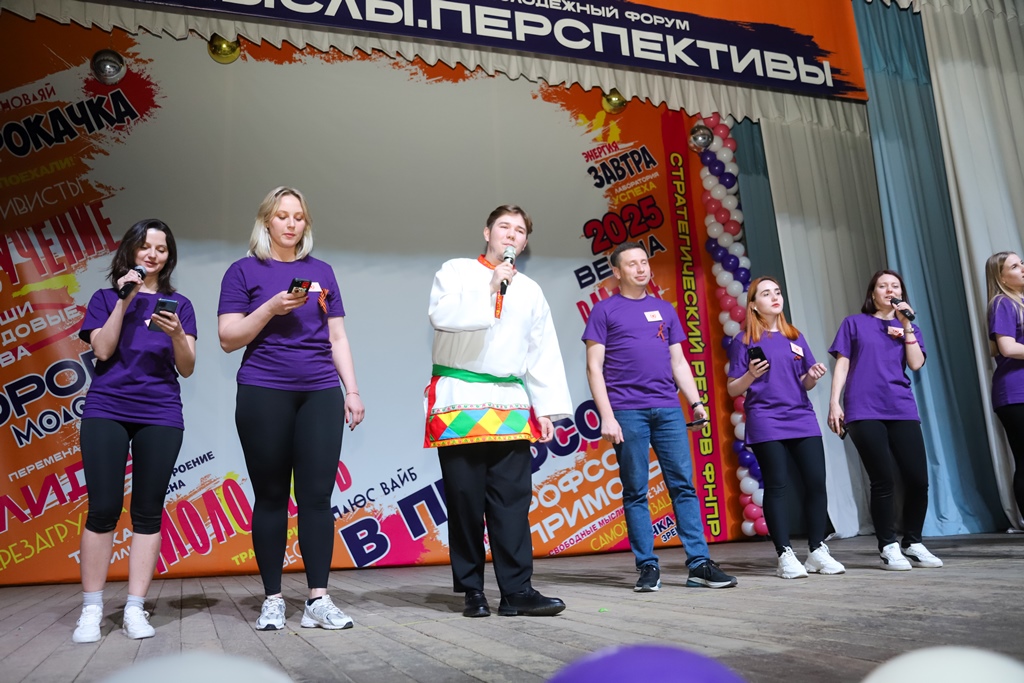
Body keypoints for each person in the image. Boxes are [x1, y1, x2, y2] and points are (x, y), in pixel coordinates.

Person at [218, 187, 365, 631]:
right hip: (263, 391)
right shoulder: (243, 271)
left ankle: (318, 599)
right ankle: (273, 599)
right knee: (271, 497)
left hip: (320, 392)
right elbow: (228, 338)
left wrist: (352, 391)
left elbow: (337, 337)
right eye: (282, 216)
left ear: (306, 224)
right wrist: (270, 307)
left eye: (298, 217)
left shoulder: (322, 272)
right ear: (267, 220)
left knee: (318, 497)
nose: (290, 224)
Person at [425, 205, 572, 618]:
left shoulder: (531, 290)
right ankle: (472, 590)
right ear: (487, 232)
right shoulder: (456, 271)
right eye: (504, 227)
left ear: (525, 242)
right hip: (460, 401)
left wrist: (546, 408)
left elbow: (541, 351)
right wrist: (489, 287)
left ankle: (517, 590)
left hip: (510, 404)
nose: (511, 235)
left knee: (512, 502)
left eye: (520, 230)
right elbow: (440, 315)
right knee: (465, 501)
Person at [582, 242, 737, 592]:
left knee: (683, 486)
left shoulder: (664, 309)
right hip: (627, 411)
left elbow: (678, 361)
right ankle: (647, 566)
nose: (641, 268)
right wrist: (607, 416)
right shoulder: (604, 310)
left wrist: (695, 402)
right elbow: (594, 368)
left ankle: (699, 564)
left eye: (644, 262)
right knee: (636, 490)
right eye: (631, 264)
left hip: (668, 409)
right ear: (616, 272)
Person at [73, 219, 197, 643]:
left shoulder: (179, 305)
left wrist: (178, 335)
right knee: (103, 508)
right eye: (145, 246)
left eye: (161, 249)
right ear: (130, 250)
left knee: (147, 511)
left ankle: (134, 608)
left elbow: (187, 367)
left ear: (169, 256)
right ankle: (91, 609)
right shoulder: (105, 297)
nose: (152, 254)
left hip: (160, 411)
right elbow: (103, 349)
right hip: (107, 407)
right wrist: (125, 300)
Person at [727, 277, 845, 579]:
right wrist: (751, 375)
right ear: (754, 305)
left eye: (777, 292)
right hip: (766, 419)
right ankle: (784, 554)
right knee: (777, 486)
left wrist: (813, 376)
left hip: (801, 417)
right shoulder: (743, 341)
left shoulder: (795, 336)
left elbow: (804, 382)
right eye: (766, 293)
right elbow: (733, 388)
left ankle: (817, 550)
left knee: (816, 482)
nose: (775, 297)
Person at [827, 270, 942, 570]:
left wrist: (907, 326)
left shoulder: (908, 326)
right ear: (873, 293)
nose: (889, 290)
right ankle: (888, 545)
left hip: (901, 406)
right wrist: (834, 403)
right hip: (863, 408)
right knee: (883, 479)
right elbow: (843, 365)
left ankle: (913, 542)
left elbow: (916, 363)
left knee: (918, 479)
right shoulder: (854, 323)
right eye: (883, 286)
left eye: (895, 286)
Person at [985, 251, 1024, 521]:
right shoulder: (1002, 303)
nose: (1022, 268)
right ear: (1001, 278)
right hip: (1015, 393)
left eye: (1021, 263)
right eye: (1015, 266)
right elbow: (1007, 347)